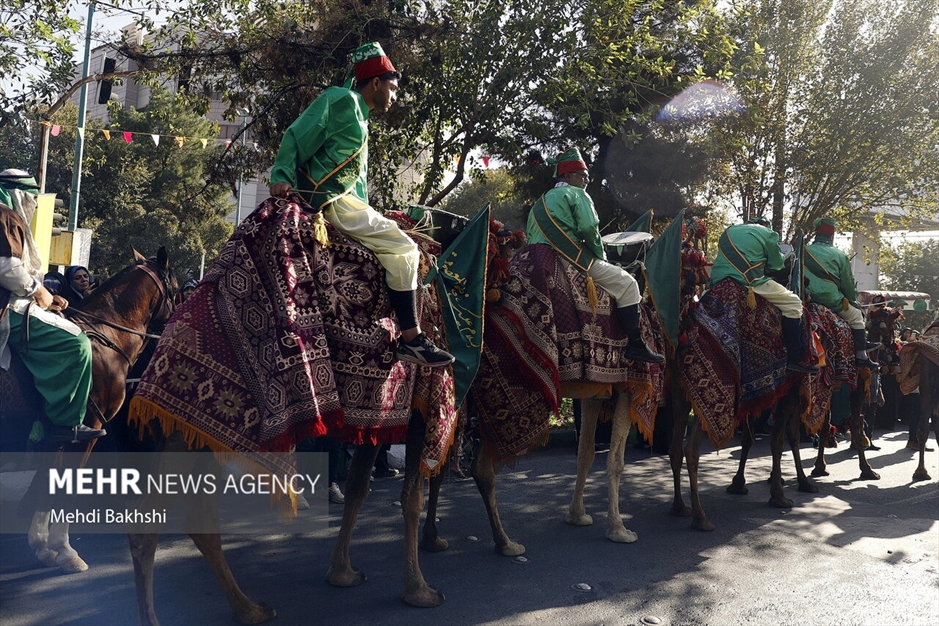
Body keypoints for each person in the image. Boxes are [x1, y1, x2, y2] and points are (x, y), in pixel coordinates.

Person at [268, 42, 453, 368]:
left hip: (349, 201)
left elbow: (358, 181)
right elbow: (298, 133)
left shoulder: (361, 116)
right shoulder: (341, 98)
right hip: (332, 202)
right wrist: (282, 173)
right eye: (393, 87)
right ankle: (412, 339)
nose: (395, 95)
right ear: (376, 82)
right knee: (404, 249)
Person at [525, 148, 663, 363]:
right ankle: (636, 345)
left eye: (587, 177)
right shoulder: (577, 194)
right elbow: (589, 228)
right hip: (570, 261)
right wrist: (601, 256)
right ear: (568, 177)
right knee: (628, 283)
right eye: (583, 176)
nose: (587, 181)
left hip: (538, 260)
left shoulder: (538, 204)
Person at [0, 169, 104, 443]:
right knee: (77, 344)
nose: (33, 208)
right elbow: (6, 268)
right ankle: (65, 424)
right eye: (32, 201)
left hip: (12, 301)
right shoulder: (5, 215)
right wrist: (38, 291)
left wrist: (44, 295)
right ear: (21, 195)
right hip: (5, 311)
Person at [708, 216, 818, 373]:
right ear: (765, 226)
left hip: (718, 280)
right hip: (750, 281)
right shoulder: (769, 234)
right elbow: (777, 264)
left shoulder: (729, 231)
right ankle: (794, 359)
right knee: (794, 304)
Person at [803, 218, 879, 369]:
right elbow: (847, 284)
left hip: (805, 297)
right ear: (832, 236)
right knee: (857, 317)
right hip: (830, 300)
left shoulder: (803, 250)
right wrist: (852, 301)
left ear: (816, 233)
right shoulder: (839, 254)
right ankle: (861, 355)